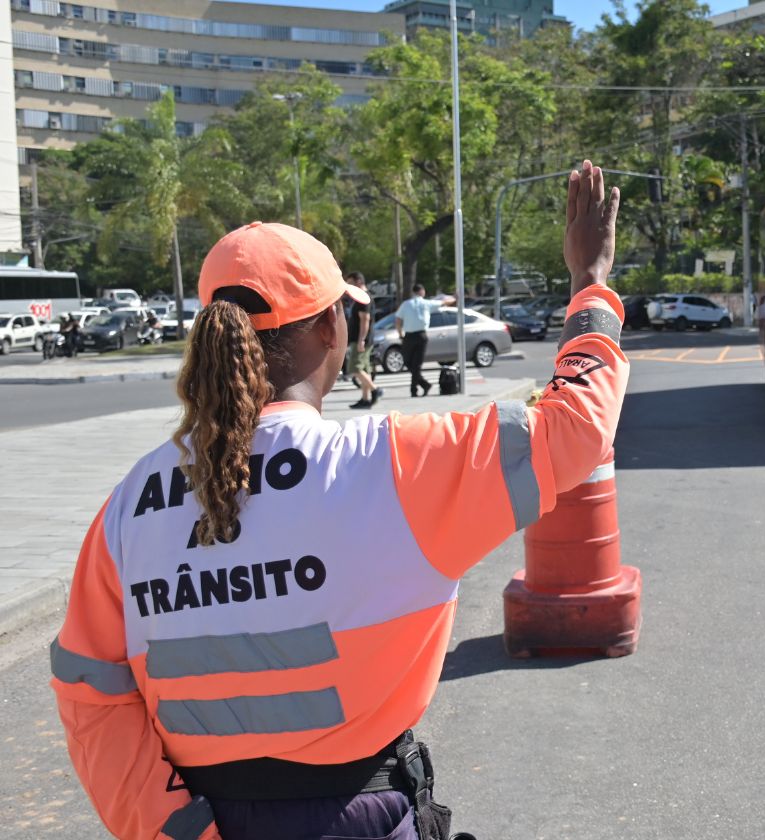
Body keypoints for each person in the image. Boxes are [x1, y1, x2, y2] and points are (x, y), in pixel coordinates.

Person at [49, 161, 627, 840]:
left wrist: (173, 829)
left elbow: (90, 694)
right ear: (332, 329)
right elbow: (577, 428)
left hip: (206, 819)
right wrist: (590, 285)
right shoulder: (392, 466)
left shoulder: (127, 509)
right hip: (362, 815)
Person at [344, 271, 382, 409]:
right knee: (365, 369)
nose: (349, 286)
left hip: (360, 339)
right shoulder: (363, 297)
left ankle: (375, 390)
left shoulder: (363, 298)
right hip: (363, 339)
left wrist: (361, 340)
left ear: (359, 281)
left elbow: (365, 320)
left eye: (350, 283)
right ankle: (365, 399)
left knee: (355, 368)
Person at [395, 284, 433, 397]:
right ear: (421, 291)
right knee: (412, 364)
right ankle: (424, 384)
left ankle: (414, 390)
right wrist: (455, 298)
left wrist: (400, 333)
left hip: (409, 336)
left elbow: (398, 319)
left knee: (410, 362)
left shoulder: (406, 304)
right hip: (421, 336)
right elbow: (444, 302)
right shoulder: (426, 303)